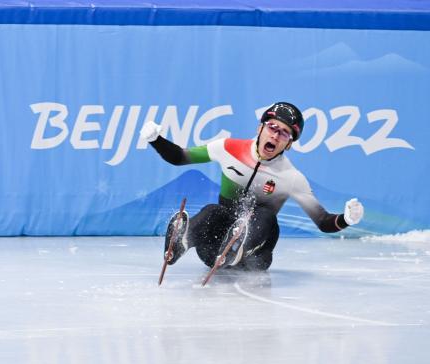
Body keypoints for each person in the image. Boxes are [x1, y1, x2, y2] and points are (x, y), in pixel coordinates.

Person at [141, 102, 364, 273]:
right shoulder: (228, 148)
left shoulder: (292, 177)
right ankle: (181, 243)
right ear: (260, 128)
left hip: (255, 256)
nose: (275, 135)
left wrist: (346, 219)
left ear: (290, 144)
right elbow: (181, 156)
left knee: (266, 216)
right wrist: (156, 140)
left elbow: (323, 221)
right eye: (272, 127)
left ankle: (239, 247)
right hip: (214, 250)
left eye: (284, 133)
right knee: (213, 211)